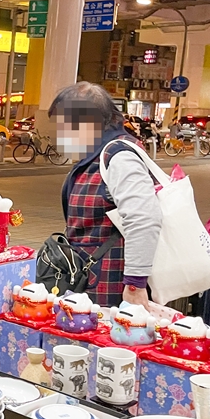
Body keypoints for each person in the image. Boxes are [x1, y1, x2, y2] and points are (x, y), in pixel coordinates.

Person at [51, 82, 161, 309]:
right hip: (91, 280)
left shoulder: (119, 156)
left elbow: (143, 218)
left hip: (111, 286)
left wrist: (135, 286)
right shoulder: (97, 154)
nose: (60, 134)